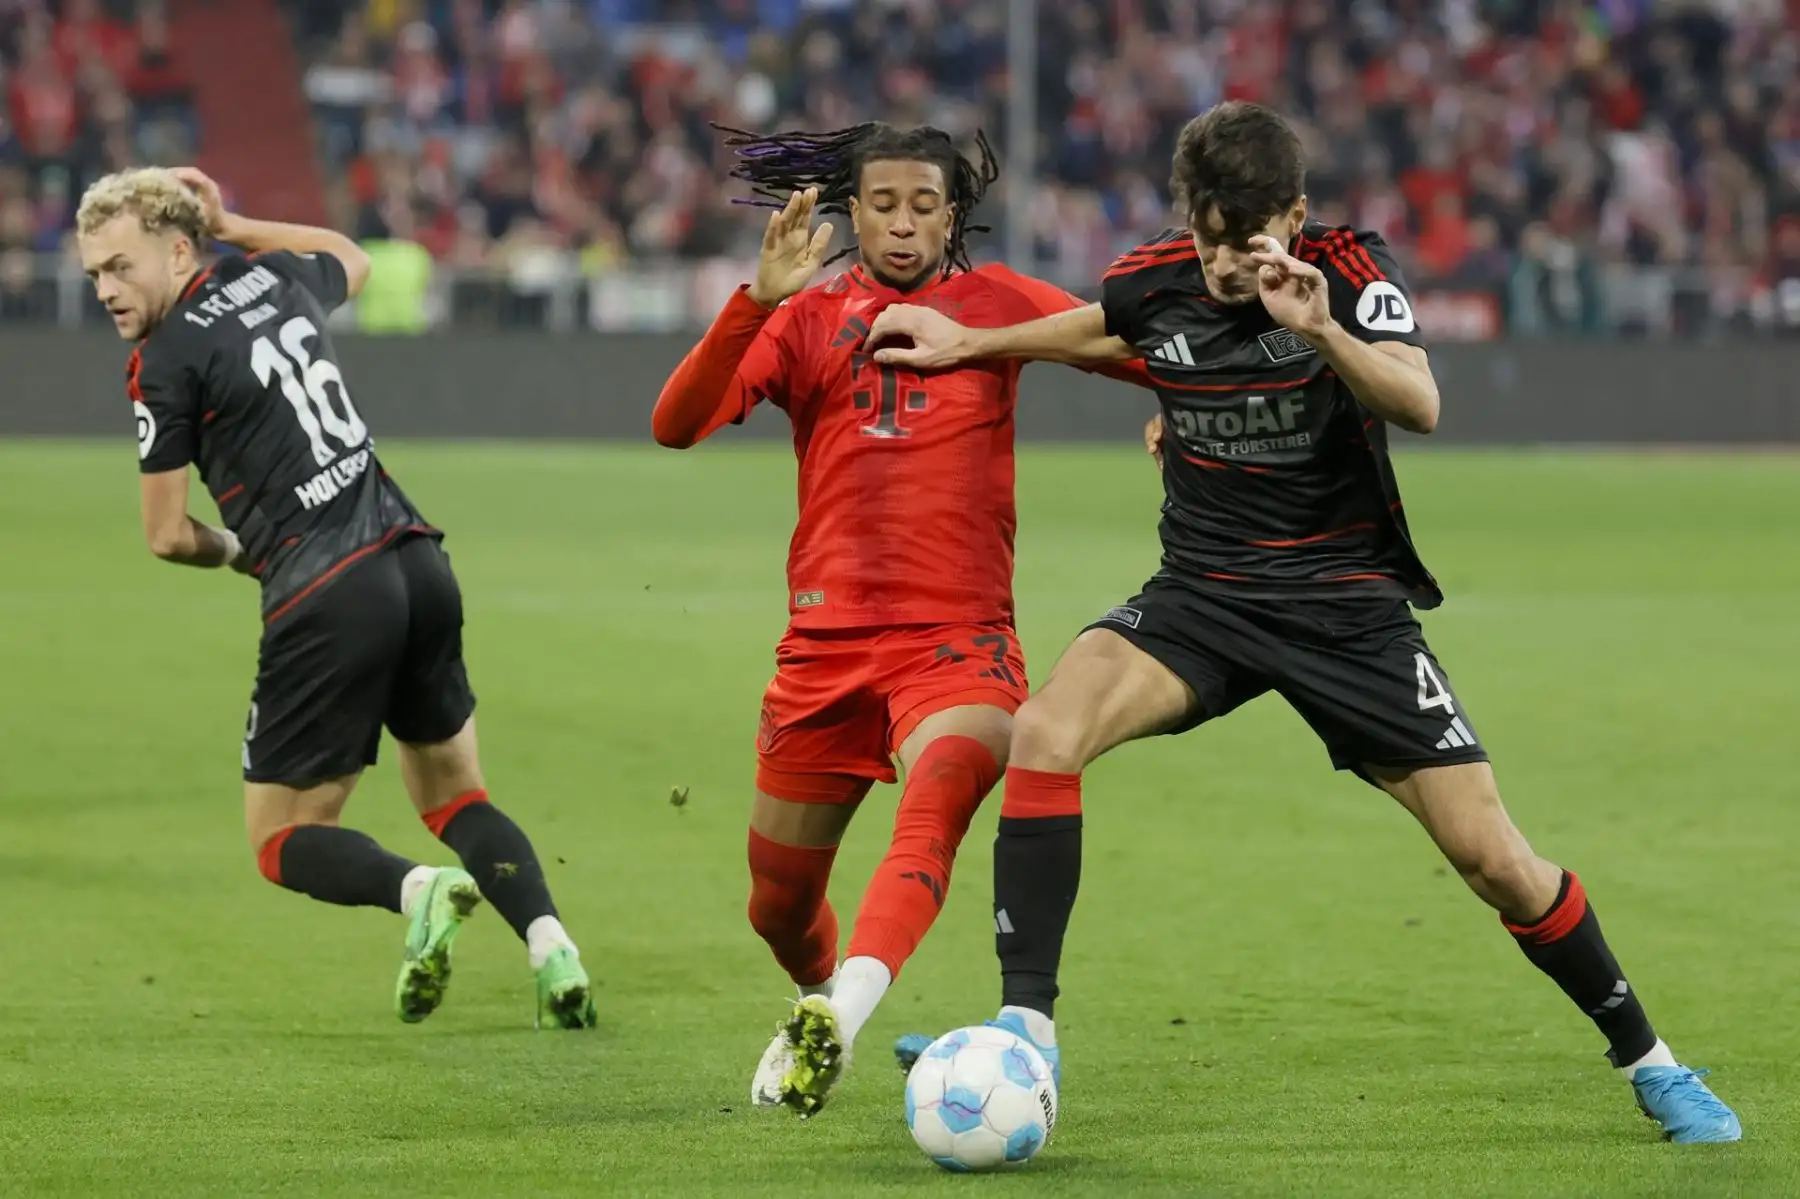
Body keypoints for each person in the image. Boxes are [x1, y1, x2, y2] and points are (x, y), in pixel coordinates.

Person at [869, 101, 1740, 1144]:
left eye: (1248, 241)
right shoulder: (1156, 276)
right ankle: (1027, 1027)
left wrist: (1317, 324)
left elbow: (1418, 403)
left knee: (1493, 856)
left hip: (1346, 612)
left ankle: (1653, 1061)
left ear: (1295, 210)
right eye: (1208, 238)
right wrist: (974, 343)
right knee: (1046, 731)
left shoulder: (1350, 274)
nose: (1227, 266)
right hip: (1204, 595)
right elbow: (1108, 324)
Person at [652, 122, 1152, 1116]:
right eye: (883, 203)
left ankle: (841, 1017)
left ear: (953, 213)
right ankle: (815, 990)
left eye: (925, 203)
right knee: (778, 904)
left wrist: (1186, 403)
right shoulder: (803, 317)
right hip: (824, 652)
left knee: (944, 794)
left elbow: (1128, 343)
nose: (904, 222)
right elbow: (676, 423)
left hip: (958, 645)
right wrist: (754, 303)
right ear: (851, 210)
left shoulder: (998, 303)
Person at [77, 166, 595, 1030]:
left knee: (281, 838)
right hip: (415, 556)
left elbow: (167, 534)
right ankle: (552, 945)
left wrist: (241, 551)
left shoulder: (161, 362)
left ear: (175, 250)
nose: (105, 288)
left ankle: (418, 891)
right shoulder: (264, 277)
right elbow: (349, 257)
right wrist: (235, 218)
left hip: (324, 589)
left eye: (121, 267)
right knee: (456, 795)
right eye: (94, 272)